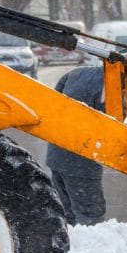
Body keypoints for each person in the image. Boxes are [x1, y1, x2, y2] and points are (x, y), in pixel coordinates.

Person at [45, 65, 107, 226]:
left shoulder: (76, 72)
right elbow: (112, 127)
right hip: (81, 161)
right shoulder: (112, 85)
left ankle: (69, 248)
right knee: (90, 215)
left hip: (57, 154)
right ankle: (93, 249)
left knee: (65, 214)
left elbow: (54, 103)